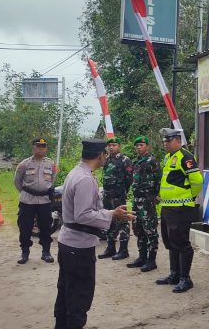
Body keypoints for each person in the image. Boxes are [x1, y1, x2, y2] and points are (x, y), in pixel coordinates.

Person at [54, 138, 135, 329]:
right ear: (100, 156)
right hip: (78, 246)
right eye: (105, 154)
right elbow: (83, 215)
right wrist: (112, 214)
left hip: (70, 243)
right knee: (78, 299)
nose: (106, 157)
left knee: (66, 294)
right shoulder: (84, 179)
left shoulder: (76, 173)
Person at [154, 128, 203, 293]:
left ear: (178, 141)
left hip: (181, 208)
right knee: (170, 241)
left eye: (168, 141)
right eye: (164, 141)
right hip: (168, 207)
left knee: (181, 242)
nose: (165, 144)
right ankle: (174, 274)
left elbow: (197, 181)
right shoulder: (168, 157)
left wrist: (190, 197)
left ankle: (185, 278)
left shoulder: (185, 157)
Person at [14, 137, 58, 264]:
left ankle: (46, 252)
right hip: (27, 201)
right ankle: (25, 252)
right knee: (25, 227)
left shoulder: (51, 164)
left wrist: (44, 189)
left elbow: (52, 179)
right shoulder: (24, 164)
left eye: (43, 146)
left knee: (45, 227)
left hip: (44, 201)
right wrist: (27, 192)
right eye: (38, 146)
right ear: (33, 148)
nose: (41, 148)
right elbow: (17, 182)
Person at [126, 136, 161, 272]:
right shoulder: (136, 162)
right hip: (136, 200)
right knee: (138, 228)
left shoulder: (152, 161)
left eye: (141, 145)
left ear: (147, 146)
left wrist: (156, 196)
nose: (138, 147)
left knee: (150, 230)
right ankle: (142, 257)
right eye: (137, 145)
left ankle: (151, 260)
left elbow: (159, 179)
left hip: (147, 200)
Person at [98, 137, 133, 260]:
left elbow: (129, 179)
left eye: (114, 145)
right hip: (107, 195)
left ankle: (123, 250)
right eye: (109, 145)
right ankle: (110, 248)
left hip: (118, 196)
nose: (111, 147)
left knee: (123, 221)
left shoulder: (125, 160)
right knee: (109, 220)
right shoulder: (106, 159)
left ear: (119, 146)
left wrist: (122, 191)